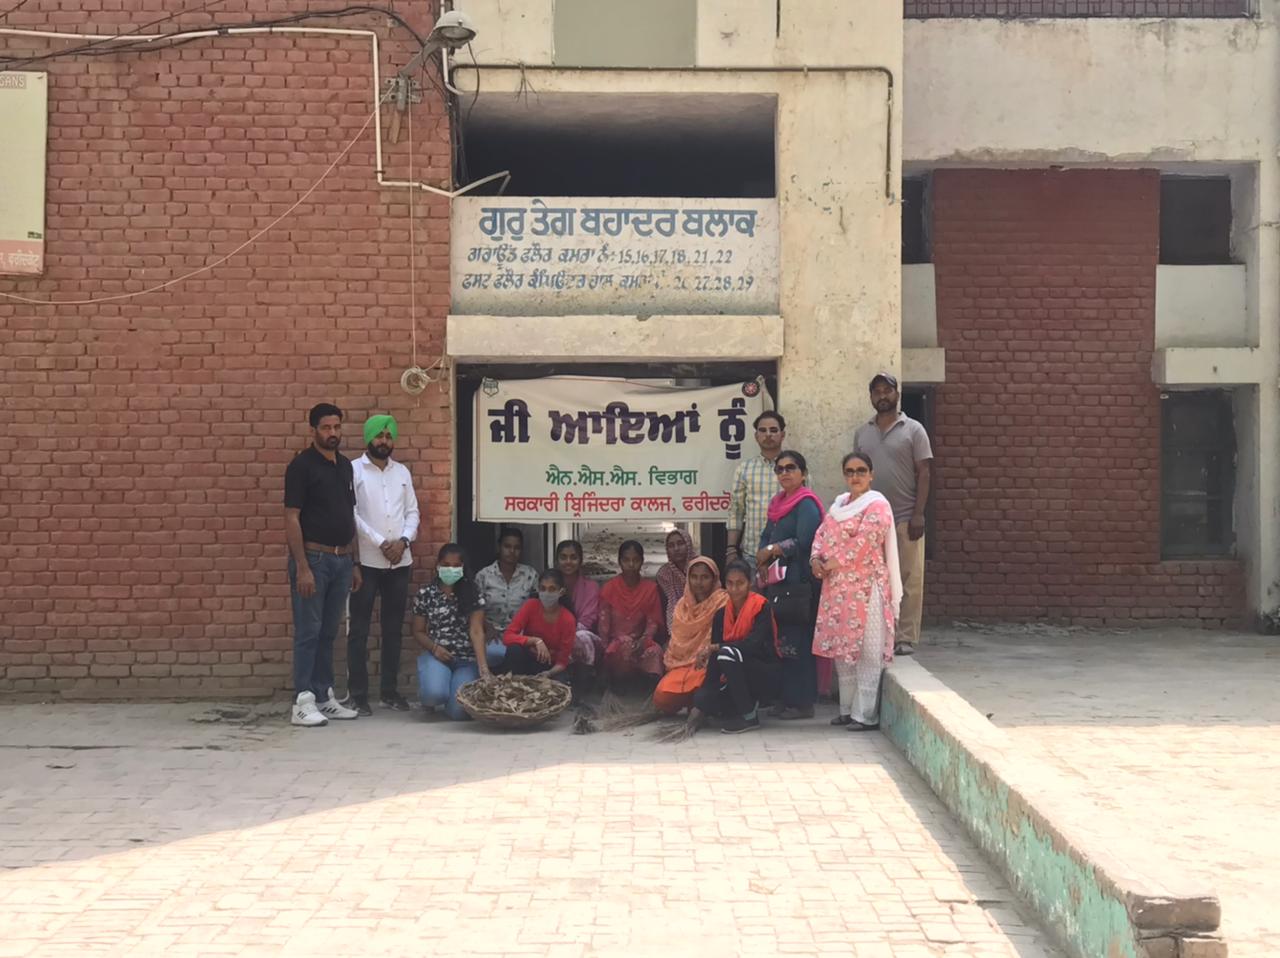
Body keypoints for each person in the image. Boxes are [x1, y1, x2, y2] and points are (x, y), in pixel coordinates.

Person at [811, 451, 903, 731]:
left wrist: (830, 562)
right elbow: (821, 535)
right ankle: (846, 710)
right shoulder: (839, 505)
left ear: (871, 474)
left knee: (868, 650)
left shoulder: (877, 505)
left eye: (861, 471)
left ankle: (865, 715)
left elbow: (864, 542)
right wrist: (815, 559)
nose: (855, 476)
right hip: (838, 588)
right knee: (843, 650)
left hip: (867, 587)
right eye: (850, 471)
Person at [283, 402, 361, 727]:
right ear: (313, 429)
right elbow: (292, 517)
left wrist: (354, 561)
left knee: (329, 632)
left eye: (337, 427)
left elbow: (349, 514)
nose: (332, 433)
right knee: (308, 632)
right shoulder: (301, 466)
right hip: (313, 559)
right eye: (326, 427)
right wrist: (302, 566)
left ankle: (323, 695)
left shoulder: (345, 467)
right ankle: (302, 701)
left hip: (342, 559)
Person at [853, 372, 932, 656]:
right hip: (872, 520)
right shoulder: (862, 433)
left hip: (905, 517)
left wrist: (919, 514)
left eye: (887, 390)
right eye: (877, 391)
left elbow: (925, 472)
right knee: (875, 580)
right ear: (871, 397)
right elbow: (857, 474)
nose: (882, 396)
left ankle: (905, 637)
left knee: (909, 579)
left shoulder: (914, 429)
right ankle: (880, 634)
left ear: (897, 394)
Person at [346, 414, 419, 716]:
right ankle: (358, 696)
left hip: (399, 562)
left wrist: (403, 541)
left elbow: (412, 512)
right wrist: (381, 543)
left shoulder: (401, 472)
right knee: (359, 630)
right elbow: (351, 514)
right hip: (367, 561)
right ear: (368, 438)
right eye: (379, 435)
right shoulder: (353, 470)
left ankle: (389, 692)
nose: (384, 441)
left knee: (393, 629)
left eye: (389, 436)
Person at [757, 449, 824, 720]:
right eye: (780, 469)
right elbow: (767, 534)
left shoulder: (806, 504)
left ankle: (802, 703)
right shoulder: (777, 503)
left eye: (791, 468)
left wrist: (773, 549)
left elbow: (805, 541)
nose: (784, 473)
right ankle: (784, 699)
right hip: (778, 583)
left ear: (803, 473)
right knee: (781, 641)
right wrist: (763, 557)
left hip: (798, 584)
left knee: (797, 641)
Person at [685, 559, 781, 735]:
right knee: (702, 698)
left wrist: (717, 647)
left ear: (750, 583)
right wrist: (701, 703)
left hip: (762, 672)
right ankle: (740, 707)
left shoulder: (761, 607)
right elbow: (715, 662)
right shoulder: (721, 615)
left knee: (726, 653)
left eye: (740, 583)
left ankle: (750, 717)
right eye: (730, 583)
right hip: (734, 676)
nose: (734, 589)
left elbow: (752, 645)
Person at [411, 543, 491, 721]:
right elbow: (418, 631)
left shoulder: (473, 593)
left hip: (466, 661)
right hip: (437, 656)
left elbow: (477, 631)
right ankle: (431, 692)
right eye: (446, 565)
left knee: (460, 712)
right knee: (433, 694)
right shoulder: (425, 594)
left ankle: (451, 696)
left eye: (456, 566)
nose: (451, 569)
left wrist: (483, 668)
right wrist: (434, 648)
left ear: (463, 568)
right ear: (438, 565)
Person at [653, 557, 727, 715]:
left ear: (714, 578)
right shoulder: (681, 606)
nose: (699, 582)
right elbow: (676, 644)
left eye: (705, 577)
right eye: (694, 577)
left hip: (710, 665)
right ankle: (693, 701)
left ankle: (698, 702)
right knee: (661, 696)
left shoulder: (723, 602)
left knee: (708, 683)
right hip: (682, 665)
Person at [599, 540, 665, 682]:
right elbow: (604, 627)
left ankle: (648, 686)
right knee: (624, 647)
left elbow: (652, 622)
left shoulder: (650, 589)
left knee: (655, 652)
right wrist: (604, 651)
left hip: (641, 641)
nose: (631, 564)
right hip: (616, 643)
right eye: (626, 560)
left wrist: (643, 640)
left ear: (642, 562)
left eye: (635, 560)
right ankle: (620, 684)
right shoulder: (609, 588)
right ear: (619, 561)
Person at [727, 411, 786, 566]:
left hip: (785, 554)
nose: (768, 434)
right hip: (751, 555)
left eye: (773, 430)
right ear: (756, 436)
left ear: (782, 435)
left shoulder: (794, 469)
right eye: (763, 430)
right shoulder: (744, 469)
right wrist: (731, 550)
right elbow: (736, 512)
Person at [474, 527, 538, 666]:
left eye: (517, 547)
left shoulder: (530, 575)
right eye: (507, 546)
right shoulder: (484, 576)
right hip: (492, 635)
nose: (512, 551)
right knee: (491, 655)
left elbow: (537, 608)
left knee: (521, 656)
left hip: (520, 636)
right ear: (499, 547)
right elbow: (474, 608)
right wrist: (487, 627)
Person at [501, 569, 577, 680]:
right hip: (527, 659)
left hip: (551, 666)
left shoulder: (568, 619)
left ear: (561, 592)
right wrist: (535, 641)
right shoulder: (530, 606)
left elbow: (562, 662)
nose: (546, 593)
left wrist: (548, 673)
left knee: (561, 682)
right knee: (514, 649)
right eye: (543, 588)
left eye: (552, 589)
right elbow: (507, 637)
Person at [556, 538, 605, 675]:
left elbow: (587, 621)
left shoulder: (591, 587)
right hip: (554, 632)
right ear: (557, 561)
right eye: (563, 557)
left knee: (582, 637)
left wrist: (569, 636)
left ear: (580, 560)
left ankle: (584, 679)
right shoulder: (550, 585)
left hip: (583, 635)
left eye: (573, 557)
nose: (568, 562)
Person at [655, 529, 695, 635]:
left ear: (688, 544)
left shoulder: (700, 567)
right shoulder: (664, 574)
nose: (676, 549)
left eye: (680, 543)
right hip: (675, 624)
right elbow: (663, 606)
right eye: (671, 546)